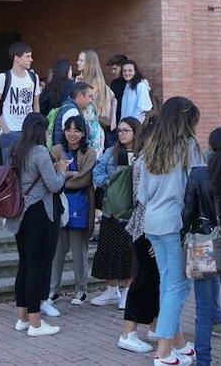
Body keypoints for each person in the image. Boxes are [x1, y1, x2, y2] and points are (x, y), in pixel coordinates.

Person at [137, 96, 203, 366]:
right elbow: (198, 185)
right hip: (177, 223)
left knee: (168, 282)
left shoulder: (150, 147)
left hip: (152, 221)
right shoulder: (188, 147)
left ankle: (177, 342)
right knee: (178, 285)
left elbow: (141, 193)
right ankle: (164, 350)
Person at [4, 114, 72, 338]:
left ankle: (22, 318)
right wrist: (62, 170)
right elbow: (53, 185)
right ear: (40, 130)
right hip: (38, 214)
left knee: (24, 265)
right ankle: (35, 323)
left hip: (18, 215)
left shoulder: (16, 150)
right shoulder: (40, 152)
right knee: (36, 267)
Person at [184, 127, 221, 366]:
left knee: (204, 310)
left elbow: (187, 212)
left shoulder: (198, 176)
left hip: (204, 244)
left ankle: (204, 361)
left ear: (209, 147)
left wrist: (184, 233)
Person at [91, 116, 142, 309]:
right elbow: (97, 172)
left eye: (126, 130)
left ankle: (129, 289)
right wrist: (111, 182)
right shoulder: (110, 152)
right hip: (111, 208)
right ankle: (111, 289)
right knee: (108, 248)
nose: (121, 134)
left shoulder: (141, 154)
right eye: (119, 130)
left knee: (129, 252)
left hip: (131, 210)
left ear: (135, 132)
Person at [121, 115, 161, 354]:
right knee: (144, 279)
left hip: (143, 225)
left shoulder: (143, 158)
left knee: (154, 279)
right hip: (145, 227)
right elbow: (144, 198)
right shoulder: (147, 160)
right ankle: (128, 331)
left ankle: (154, 326)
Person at [49, 116, 98, 306]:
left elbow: (84, 178)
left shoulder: (90, 153)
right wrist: (69, 174)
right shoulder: (57, 150)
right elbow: (50, 175)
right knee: (57, 251)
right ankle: (53, 289)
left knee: (79, 250)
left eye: (76, 130)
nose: (72, 134)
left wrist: (62, 176)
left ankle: (81, 290)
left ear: (83, 132)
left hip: (81, 203)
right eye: (68, 129)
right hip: (60, 203)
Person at [0, 42, 40, 166]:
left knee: (29, 170)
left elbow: (36, 105)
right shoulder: (3, 78)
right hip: (10, 132)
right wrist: (5, 128)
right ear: (16, 58)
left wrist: (36, 126)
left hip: (28, 132)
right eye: (27, 56)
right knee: (9, 173)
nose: (31, 59)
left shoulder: (34, 78)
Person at [77, 49, 116, 144]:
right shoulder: (84, 80)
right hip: (87, 128)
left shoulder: (96, 83)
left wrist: (77, 85)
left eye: (81, 60)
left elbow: (82, 102)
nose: (77, 63)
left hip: (95, 130)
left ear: (89, 63)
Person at [49, 82, 95, 148]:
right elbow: (72, 140)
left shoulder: (68, 107)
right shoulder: (72, 112)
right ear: (81, 95)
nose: (91, 101)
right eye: (90, 96)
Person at [107, 54, 129, 146]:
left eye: (115, 69)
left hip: (127, 124)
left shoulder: (132, 84)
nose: (112, 71)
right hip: (114, 123)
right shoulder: (114, 83)